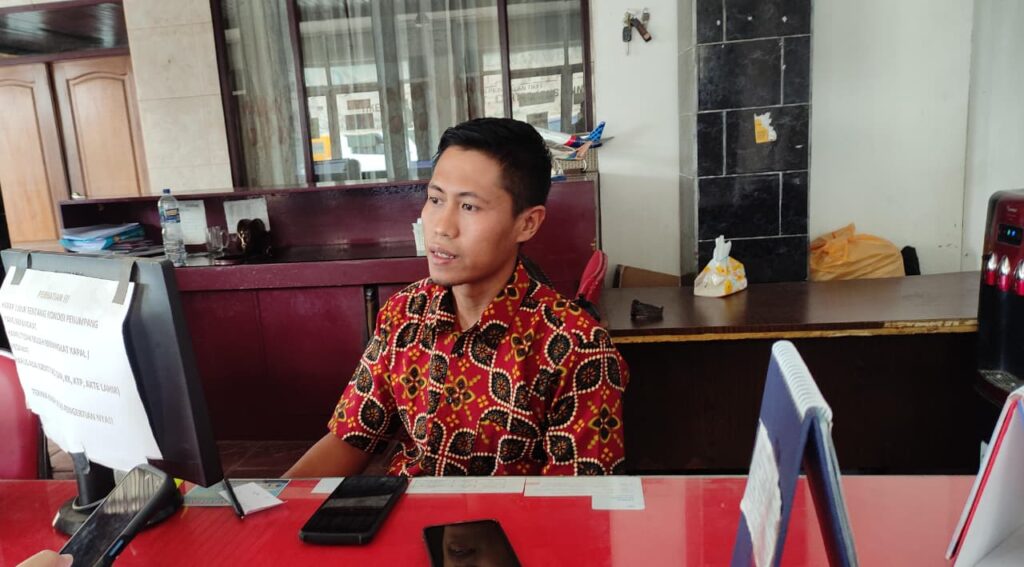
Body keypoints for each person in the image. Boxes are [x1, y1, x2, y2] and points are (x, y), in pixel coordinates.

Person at [285, 118, 628, 477]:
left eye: (469, 207)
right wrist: (272, 501)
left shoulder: (577, 346)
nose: (441, 227)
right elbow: (350, 438)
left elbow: (580, 498)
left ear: (527, 223)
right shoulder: (404, 313)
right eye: (435, 200)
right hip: (406, 508)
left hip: (511, 516)